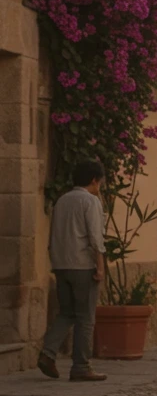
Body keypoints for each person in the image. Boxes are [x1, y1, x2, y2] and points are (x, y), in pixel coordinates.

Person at [37, 160, 108, 382]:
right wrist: (100, 265)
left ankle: (48, 353)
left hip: (61, 264)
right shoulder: (91, 201)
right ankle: (81, 366)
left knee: (66, 312)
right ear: (94, 180)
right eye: (100, 182)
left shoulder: (62, 200)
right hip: (82, 265)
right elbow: (95, 236)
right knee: (86, 316)